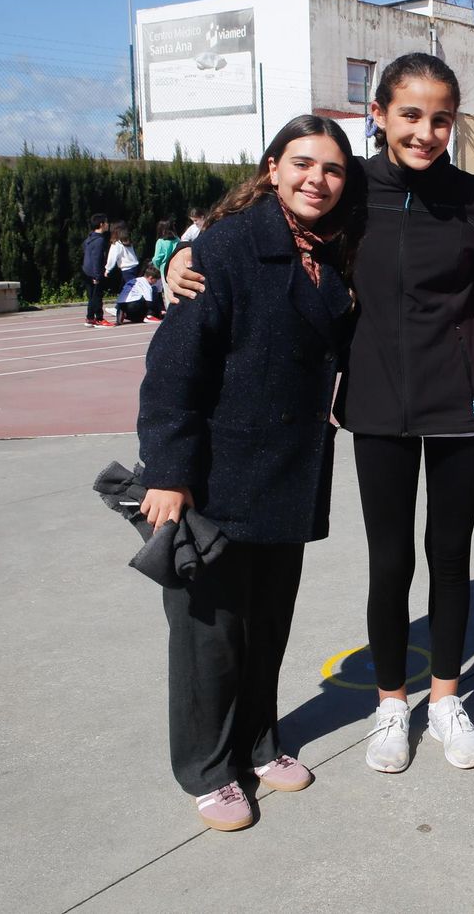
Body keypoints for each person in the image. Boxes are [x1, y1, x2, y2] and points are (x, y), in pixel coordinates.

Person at [171, 52, 474, 775]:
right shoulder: (351, 193)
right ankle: (392, 703)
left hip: (460, 405)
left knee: (450, 559)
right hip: (377, 405)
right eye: (409, 115)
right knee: (391, 562)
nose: (425, 132)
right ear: (378, 116)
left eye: (440, 118)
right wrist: (185, 255)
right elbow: (271, 217)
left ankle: (445, 699)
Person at [136, 114, 362, 832]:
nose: (315, 180)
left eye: (331, 169)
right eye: (301, 163)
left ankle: (260, 743)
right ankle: (208, 768)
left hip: (288, 475)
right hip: (217, 477)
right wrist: (168, 471)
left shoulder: (335, 251)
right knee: (210, 635)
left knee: (267, 624)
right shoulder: (228, 247)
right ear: (272, 168)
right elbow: (174, 369)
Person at [82, 213, 111, 327]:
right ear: (101, 224)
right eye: (106, 222)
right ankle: (97, 318)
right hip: (94, 272)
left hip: (86, 271)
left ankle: (91, 318)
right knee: (96, 296)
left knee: (92, 296)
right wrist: (97, 276)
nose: (108, 224)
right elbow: (97, 259)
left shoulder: (89, 238)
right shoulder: (99, 241)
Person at [105, 221, 140, 292]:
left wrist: (107, 269)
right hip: (134, 267)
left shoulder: (116, 244)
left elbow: (112, 258)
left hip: (126, 270)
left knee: (131, 291)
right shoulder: (127, 242)